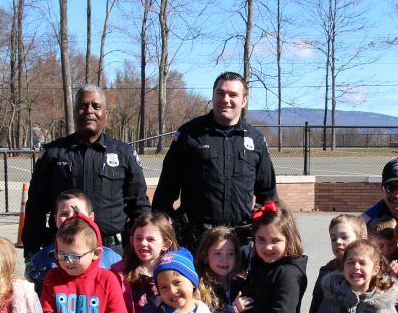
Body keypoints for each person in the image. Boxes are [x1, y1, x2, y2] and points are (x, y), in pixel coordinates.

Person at [152, 72, 277, 249]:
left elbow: (268, 195)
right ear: (213, 96)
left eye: (233, 94)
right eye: (220, 93)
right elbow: (164, 194)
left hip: (241, 244)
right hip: (196, 243)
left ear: (244, 100)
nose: (225, 99)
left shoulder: (255, 140)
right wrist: (168, 233)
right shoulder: (189, 135)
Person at [22, 85, 150, 257]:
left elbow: (139, 207)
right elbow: (35, 208)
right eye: (82, 106)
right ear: (74, 112)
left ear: (106, 114)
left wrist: (139, 253)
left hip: (114, 255)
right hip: (64, 255)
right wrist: (31, 254)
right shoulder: (52, 153)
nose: (89, 111)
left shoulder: (124, 154)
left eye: (96, 106)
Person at [26, 189, 121, 293]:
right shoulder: (40, 260)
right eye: (64, 214)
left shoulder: (110, 259)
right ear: (55, 219)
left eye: (77, 212)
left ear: (91, 218)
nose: (71, 218)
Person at [307, 214, 366, 313]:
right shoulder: (326, 272)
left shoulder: (371, 270)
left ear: (361, 240)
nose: (338, 241)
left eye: (344, 237)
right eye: (333, 238)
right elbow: (315, 307)